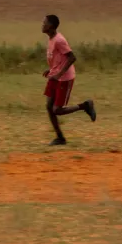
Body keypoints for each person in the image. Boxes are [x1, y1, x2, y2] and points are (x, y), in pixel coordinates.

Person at [41, 14, 96, 146]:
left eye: (45, 23)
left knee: (57, 110)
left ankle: (85, 106)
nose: (42, 25)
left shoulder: (59, 40)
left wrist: (59, 74)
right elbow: (59, 58)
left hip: (64, 78)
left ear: (51, 26)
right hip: (55, 75)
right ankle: (60, 138)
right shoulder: (51, 39)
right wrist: (51, 70)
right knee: (49, 106)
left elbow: (72, 58)